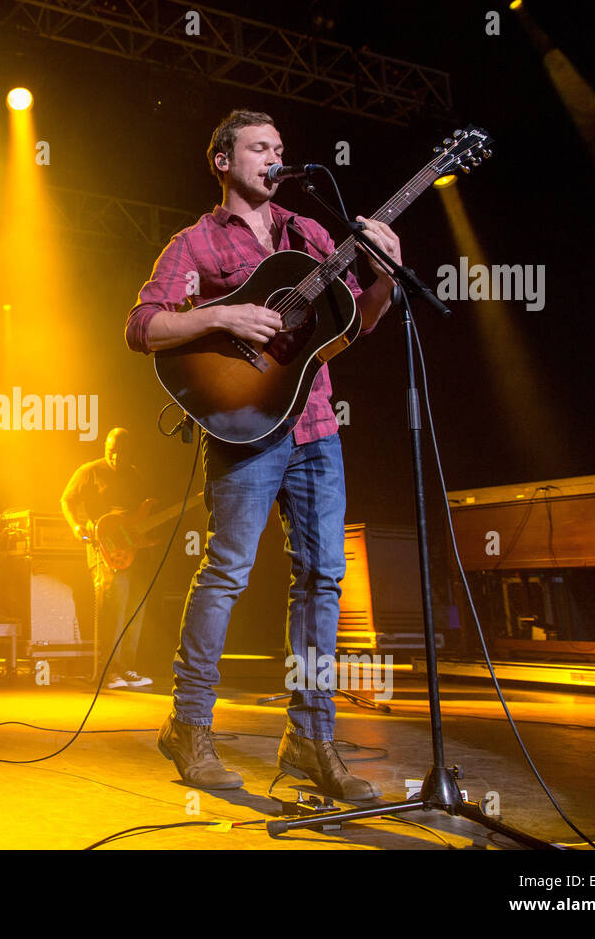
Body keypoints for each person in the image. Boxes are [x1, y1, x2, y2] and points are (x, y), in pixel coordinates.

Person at [126, 110, 401, 797]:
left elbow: (358, 323)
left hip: (315, 428)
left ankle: (310, 739)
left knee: (323, 581)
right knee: (228, 573)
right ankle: (188, 726)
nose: (274, 158)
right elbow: (141, 326)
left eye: (280, 148)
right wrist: (223, 315)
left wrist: (386, 273)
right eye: (258, 148)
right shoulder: (193, 242)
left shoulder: (308, 235)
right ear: (222, 161)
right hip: (244, 425)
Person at [60, 428, 155, 689]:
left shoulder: (134, 475)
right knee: (113, 608)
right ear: (105, 447)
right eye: (111, 451)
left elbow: (138, 516)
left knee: (135, 609)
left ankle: (126, 668)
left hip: (132, 551)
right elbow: (66, 500)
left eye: (120, 453)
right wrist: (76, 526)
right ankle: (107, 670)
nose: (115, 457)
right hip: (103, 549)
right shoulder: (90, 470)